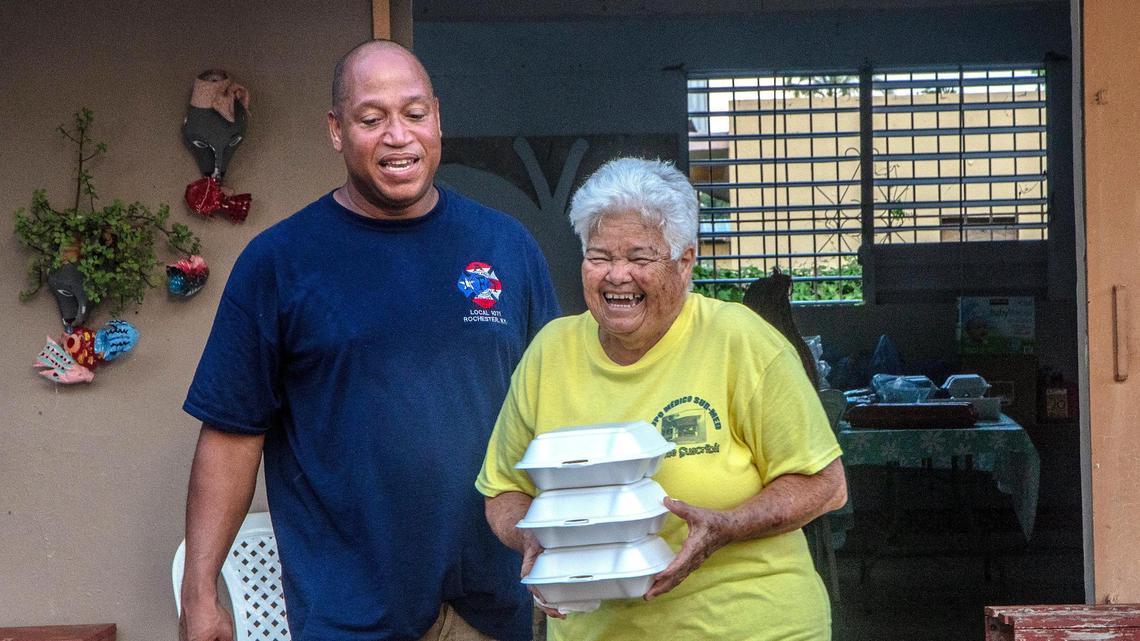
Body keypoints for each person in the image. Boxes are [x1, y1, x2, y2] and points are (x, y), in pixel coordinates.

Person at [179, 39, 560, 641]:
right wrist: (199, 591)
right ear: (336, 130)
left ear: (437, 117)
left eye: (414, 113)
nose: (398, 136)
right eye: (371, 118)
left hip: (491, 606)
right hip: (348, 614)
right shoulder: (280, 263)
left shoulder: (506, 248)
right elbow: (231, 435)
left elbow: (557, 414)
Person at [477, 158, 847, 641]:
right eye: (600, 256)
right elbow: (502, 489)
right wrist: (535, 538)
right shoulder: (551, 351)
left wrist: (727, 526)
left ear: (685, 261)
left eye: (639, 257)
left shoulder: (740, 341)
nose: (617, 276)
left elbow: (825, 484)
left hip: (751, 626)